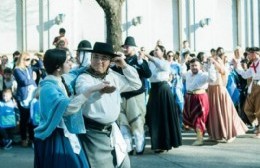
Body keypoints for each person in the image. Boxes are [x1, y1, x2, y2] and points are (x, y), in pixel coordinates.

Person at [33, 48, 110, 168]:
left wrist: (95, 64)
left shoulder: (61, 79)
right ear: (58, 67)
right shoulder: (48, 88)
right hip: (55, 137)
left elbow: (76, 72)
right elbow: (67, 109)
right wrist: (90, 89)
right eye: (68, 61)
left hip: (65, 132)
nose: (71, 63)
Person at [75, 42, 142, 168]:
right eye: (95, 57)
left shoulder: (113, 76)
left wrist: (124, 65)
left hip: (112, 132)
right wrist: (99, 89)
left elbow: (136, 84)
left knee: (124, 164)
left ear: (111, 61)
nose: (99, 61)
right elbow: (83, 93)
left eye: (104, 58)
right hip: (93, 134)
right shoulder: (84, 77)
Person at [112, 36, 152, 155]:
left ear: (134, 48)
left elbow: (147, 74)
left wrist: (141, 62)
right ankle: (128, 148)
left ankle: (139, 148)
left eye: (127, 46)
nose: (125, 48)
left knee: (137, 122)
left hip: (136, 96)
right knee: (123, 123)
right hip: (122, 95)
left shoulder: (138, 61)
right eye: (124, 46)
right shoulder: (119, 60)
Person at [206, 47, 248, 143]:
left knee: (224, 111)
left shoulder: (222, 64)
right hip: (212, 89)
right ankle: (215, 134)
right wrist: (210, 63)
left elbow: (222, 71)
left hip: (219, 89)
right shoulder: (212, 63)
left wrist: (214, 62)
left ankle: (229, 134)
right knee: (214, 112)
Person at [145, 45, 182, 153]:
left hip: (163, 89)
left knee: (165, 116)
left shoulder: (165, 62)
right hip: (154, 90)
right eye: (154, 50)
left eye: (157, 50)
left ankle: (166, 143)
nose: (155, 51)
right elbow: (147, 74)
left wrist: (149, 56)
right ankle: (157, 143)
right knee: (154, 116)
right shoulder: (150, 63)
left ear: (162, 52)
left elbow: (163, 67)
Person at [183, 58, 216, 145]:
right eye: (192, 66)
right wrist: (183, 61)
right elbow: (181, 73)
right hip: (189, 97)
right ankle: (199, 136)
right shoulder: (188, 73)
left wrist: (210, 67)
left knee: (199, 118)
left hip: (200, 97)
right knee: (192, 117)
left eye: (195, 65)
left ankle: (200, 139)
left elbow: (212, 79)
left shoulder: (204, 75)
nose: (193, 67)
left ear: (200, 66)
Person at [234, 47, 260, 137]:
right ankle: (256, 125)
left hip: (259, 86)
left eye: (249, 54)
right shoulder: (253, 65)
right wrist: (237, 67)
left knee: (258, 110)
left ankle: (259, 130)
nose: (248, 56)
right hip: (253, 86)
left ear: (255, 53)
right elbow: (245, 75)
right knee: (247, 109)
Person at [13, 52, 37, 147]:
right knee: (24, 119)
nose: (29, 62)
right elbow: (23, 82)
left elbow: (40, 66)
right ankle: (23, 139)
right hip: (23, 97)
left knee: (32, 119)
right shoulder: (17, 69)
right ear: (22, 60)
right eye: (27, 59)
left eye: (29, 60)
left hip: (32, 96)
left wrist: (36, 58)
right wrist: (33, 79)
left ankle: (31, 138)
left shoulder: (29, 68)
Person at [167, 50, 184, 130]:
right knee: (169, 107)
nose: (170, 57)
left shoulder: (177, 65)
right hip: (168, 87)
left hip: (176, 87)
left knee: (179, 105)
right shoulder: (165, 64)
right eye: (169, 55)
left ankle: (179, 125)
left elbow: (181, 75)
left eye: (171, 55)